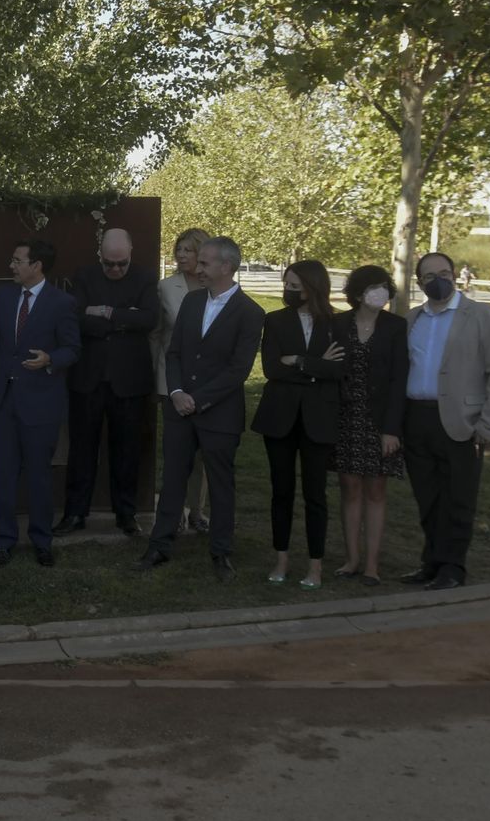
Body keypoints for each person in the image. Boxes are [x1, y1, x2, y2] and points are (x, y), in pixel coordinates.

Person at [135, 236, 265, 581]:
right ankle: (159, 545)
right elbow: (174, 352)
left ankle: (221, 552)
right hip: (179, 407)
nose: (199, 268)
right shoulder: (192, 302)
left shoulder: (251, 313)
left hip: (219, 414)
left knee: (221, 485)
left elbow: (238, 370)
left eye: (205, 263)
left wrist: (199, 399)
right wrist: (176, 391)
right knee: (173, 477)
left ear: (227, 267)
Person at [401, 251, 490, 590]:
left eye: (445, 272)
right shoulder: (411, 320)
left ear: (455, 275)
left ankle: (453, 567)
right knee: (428, 498)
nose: (439, 279)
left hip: (462, 422)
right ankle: (431, 562)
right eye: (430, 275)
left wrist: (488, 425)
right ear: (420, 282)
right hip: (416, 419)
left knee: (458, 499)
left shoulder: (481, 316)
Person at [0, 239, 80, 567]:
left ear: (37, 265)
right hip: (5, 401)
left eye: (18, 261)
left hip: (41, 404)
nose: (12, 266)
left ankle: (42, 541)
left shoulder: (62, 303)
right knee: (2, 474)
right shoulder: (4, 297)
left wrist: (49, 359)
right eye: (12, 260)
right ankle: (3, 541)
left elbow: (73, 349)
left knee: (39, 476)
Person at [55, 228, 156, 537]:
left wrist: (105, 312)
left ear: (131, 254)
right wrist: (125, 319)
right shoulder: (85, 276)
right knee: (82, 450)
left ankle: (125, 514)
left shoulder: (146, 277)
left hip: (129, 379)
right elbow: (75, 318)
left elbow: (149, 319)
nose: (115, 269)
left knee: (127, 450)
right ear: (99, 256)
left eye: (121, 263)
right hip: (89, 378)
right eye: (109, 263)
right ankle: (75, 513)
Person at [252, 260, 344, 590]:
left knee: (315, 495)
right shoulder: (275, 320)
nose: (289, 290)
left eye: (296, 285)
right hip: (279, 418)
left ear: (313, 286)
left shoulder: (336, 323)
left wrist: (301, 362)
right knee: (282, 491)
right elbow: (273, 369)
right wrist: (318, 368)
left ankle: (315, 566)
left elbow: (339, 371)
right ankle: (282, 559)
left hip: (319, 420)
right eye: (286, 284)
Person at [330, 264, 408, 586]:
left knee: (376, 491)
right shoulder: (338, 324)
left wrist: (392, 429)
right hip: (346, 420)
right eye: (374, 287)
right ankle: (352, 559)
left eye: (385, 286)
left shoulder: (395, 326)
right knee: (349, 489)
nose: (382, 292)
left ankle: (372, 565)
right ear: (359, 293)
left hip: (379, 422)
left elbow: (399, 380)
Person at [154, 229, 211, 533]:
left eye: (189, 250)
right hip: (171, 379)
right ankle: (172, 510)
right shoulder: (165, 287)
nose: (181, 255)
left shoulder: (214, 286)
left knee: (202, 452)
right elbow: (157, 333)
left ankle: (197, 511)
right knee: (175, 450)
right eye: (179, 249)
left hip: (205, 382)